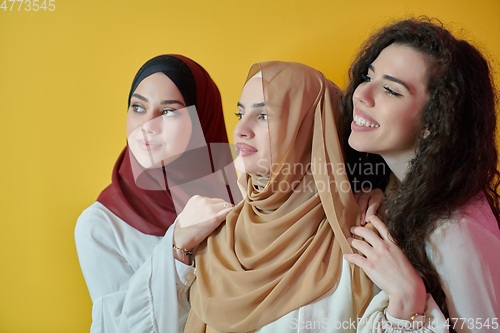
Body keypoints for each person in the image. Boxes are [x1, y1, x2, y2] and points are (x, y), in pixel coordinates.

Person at [171, 61, 374, 332]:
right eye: (239, 114)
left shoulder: (359, 242)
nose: (240, 129)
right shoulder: (213, 232)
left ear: (308, 131)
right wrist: (178, 250)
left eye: (263, 116)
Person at [340, 18, 500, 332]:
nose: (361, 94)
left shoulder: (454, 231)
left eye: (390, 90)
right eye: (367, 76)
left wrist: (407, 301)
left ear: (434, 121)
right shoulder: (395, 192)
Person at [75, 54, 238, 332]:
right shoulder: (101, 226)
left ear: (202, 119)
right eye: (138, 107)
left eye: (168, 111)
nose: (146, 126)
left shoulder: (244, 200)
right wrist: (177, 245)